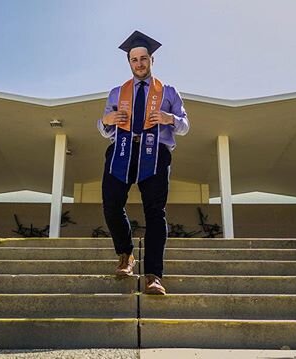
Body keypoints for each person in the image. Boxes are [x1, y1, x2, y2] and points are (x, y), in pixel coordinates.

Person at [96, 30, 190, 295]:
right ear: (129, 62)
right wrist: (106, 122)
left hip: (156, 152)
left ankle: (153, 275)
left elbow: (185, 125)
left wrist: (169, 118)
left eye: (144, 58)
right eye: (134, 59)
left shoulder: (169, 92)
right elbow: (103, 127)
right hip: (121, 151)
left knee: (155, 212)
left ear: (152, 60)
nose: (139, 63)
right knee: (111, 205)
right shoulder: (117, 93)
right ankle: (126, 254)